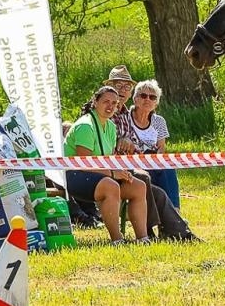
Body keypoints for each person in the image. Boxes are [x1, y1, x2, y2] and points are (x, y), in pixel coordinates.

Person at [64, 85, 150, 243]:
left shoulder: (111, 126)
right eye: (106, 102)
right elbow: (85, 163)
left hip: (100, 174)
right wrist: (112, 173)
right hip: (74, 175)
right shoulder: (85, 126)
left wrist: (121, 172)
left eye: (114, 103)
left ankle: (143, 238)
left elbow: (108, 159)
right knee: (111, 186)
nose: (110, 106)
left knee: (138, 186)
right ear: (95, 102)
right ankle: (117, 240)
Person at [121, 79, 181, 210]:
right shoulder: (125, 118)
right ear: (135, 98)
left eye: (152, 97)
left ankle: (174, 211)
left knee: (168, 166)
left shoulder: (159, 121)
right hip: (132, 163)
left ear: (156, 103)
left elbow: (161, 148)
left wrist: (155, 162)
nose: (147, 99)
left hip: (153, 163)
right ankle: (170, 214)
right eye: (143, 96)